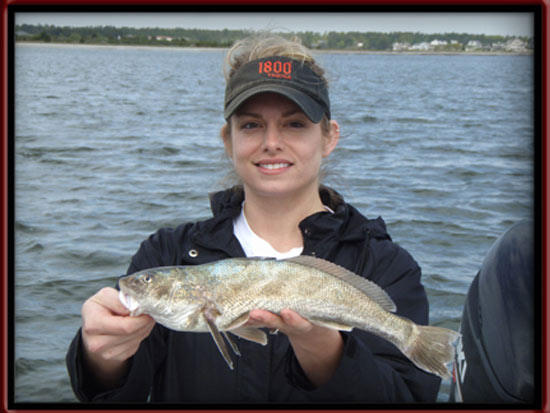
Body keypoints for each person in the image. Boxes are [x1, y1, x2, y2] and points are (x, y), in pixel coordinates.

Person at [66, 33, 441, 403]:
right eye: (250, 125)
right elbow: (116, 396)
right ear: (228, 140)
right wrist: (100, 354)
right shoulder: (168, 252)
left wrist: (324, 351)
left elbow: (409, 396)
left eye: (295, 124)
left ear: (329, 136)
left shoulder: (387, 265)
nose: (271, 142)